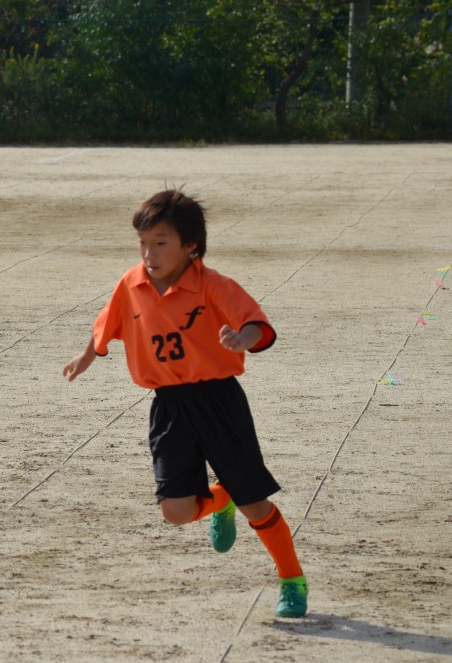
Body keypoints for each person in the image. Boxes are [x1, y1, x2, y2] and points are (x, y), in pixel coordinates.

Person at [62, 189, 308, 618]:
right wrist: (87, 356)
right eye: (143, 242)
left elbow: (256, 324)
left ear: (190, 244)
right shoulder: (131, 283)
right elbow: (107, 323)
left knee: (255, 503)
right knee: (175, 511)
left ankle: (292, 580)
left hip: (219, 402)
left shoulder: (213, 285)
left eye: (161, 242)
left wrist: (242, 338)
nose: (149, 253)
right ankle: (220, 497)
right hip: (169, 407)